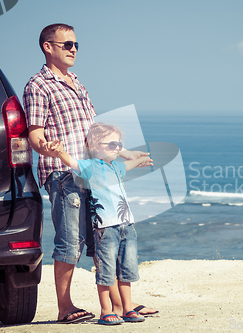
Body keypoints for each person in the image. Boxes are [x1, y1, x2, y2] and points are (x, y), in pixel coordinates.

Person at [23, 23, 156, 323]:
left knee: (103, 238)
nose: (73, 49)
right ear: (48, 47)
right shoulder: (38, 85)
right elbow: (34, 134)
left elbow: (96, 134)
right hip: (63, 172)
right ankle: (65, 307)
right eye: (66, 44)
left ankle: (123, 305)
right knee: (70, 240)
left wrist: (125, 153)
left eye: (75, 45)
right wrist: (48, 148)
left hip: (94, 172)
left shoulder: (77, 83)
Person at [51, 123, 152, 325]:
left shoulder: (117, 167)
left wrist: (139, 158)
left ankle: (127, 308)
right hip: (106, 228)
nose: (117, 148)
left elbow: (129, 164)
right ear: (95, 145)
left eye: (119, 144)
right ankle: (106, 310)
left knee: (126, 270)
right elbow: (71, 161)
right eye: (112, 144)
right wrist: (59, 152)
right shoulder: (90, 166)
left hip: (127, 226)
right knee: (106, 269)